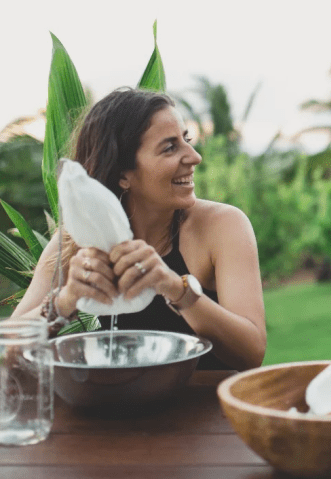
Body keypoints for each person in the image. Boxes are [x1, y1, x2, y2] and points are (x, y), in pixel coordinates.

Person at [12, 88, 266, 371]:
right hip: (114, 407)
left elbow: (252, 352)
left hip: (208, 410)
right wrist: (66, 300)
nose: (194, 157)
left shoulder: (222, 226)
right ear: (123, 174)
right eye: (170, 147)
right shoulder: (77, 241)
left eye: (186, 139)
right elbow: (8, 350)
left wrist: (175, 288)